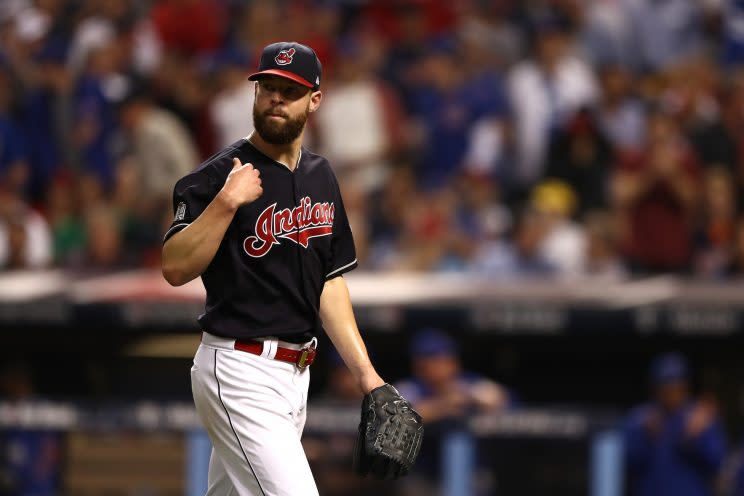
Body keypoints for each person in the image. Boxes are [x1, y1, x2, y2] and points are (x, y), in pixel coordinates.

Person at [161, 42, 390, 496]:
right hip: (239, 368)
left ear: (315, 100)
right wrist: (227, 202)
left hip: (296, 376)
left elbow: (328, 280)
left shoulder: (321, 176)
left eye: (290, 90)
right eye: (268, 87)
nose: (276, 99)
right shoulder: (215, 177)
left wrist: (369, 377)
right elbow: (174, 267)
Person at [623, 353, 726, 496]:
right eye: (665, 387)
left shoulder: (700, 417)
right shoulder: (640, 418)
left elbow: (718, 463)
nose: (671, 393)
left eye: (676, 387)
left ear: (685, 387)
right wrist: (646, 438)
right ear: (655, 388)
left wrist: (693, 439)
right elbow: (625, 463)